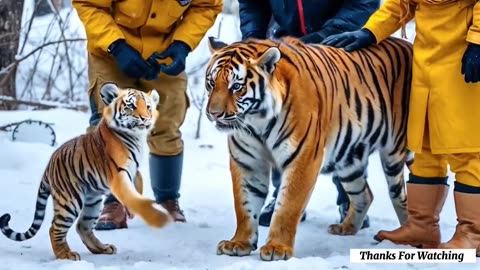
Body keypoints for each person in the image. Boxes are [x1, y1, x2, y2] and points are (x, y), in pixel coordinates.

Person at [322, 0, 480, 251]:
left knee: (466, 149)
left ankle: (473, 234)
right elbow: (398, 4)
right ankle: (422, 226)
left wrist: (477, 40)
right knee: (425, 148)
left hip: (463, 60)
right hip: (425, 62)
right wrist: (370, 31)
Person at [72, 0, 223, 230]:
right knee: (110, 126)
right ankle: (116, 202)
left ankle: (168, 200)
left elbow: (208, 5)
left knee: (166, 124)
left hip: (164, 51)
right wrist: (116, 45)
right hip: (110, 51)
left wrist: (183, 44)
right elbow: (88, 3)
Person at [238, 0, 380, 228]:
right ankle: (284, 196)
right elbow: (252, 4)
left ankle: (351, 197)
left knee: (343, 124)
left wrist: (325, 36)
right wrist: (253, 38)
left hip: (341, 43)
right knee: (281, 121)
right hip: (286, 43)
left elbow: (363, 3)